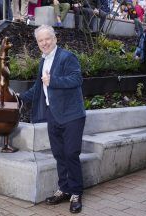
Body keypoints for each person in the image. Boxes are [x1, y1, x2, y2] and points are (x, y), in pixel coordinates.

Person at [19, 25, 86, 214]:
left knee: (71, 154)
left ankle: (75, 193)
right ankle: (64, 188)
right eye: (40, 40)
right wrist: (18, 97)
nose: (44, 43)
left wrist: (53, 81)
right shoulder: (43, 61)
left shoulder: (67, 57)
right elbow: (39, 88)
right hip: (53, 115)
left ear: (55, 38)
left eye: (47, 39)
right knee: (59, 155)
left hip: (72, 116)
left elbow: (77, 79)